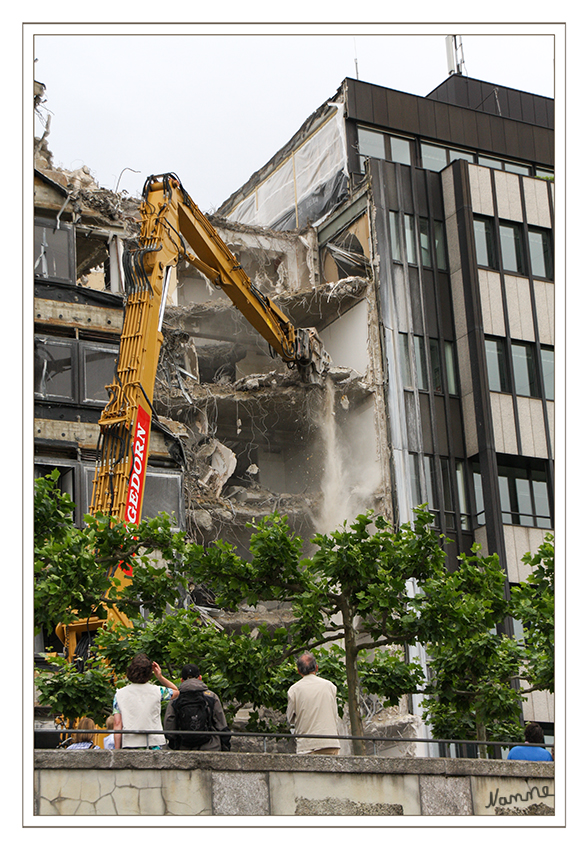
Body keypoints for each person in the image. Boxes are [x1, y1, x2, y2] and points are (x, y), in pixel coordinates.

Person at [113, 653, 179, 750]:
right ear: (149, 673)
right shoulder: (158, 691)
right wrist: (160, 676)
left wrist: (117, 751)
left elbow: (117, 724)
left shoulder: (119, 694)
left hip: (130, 743)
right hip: (154, 742)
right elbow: (176, 691)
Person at [164, 663, 231, 751]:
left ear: (181, 680)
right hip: (210, 746)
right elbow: (221, 723)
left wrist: (174, 743)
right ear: (200, 678)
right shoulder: (211, 696)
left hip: (184, 748)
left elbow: (169, 724)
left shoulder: (175, 699)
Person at [286, 652, 340, 755]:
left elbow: (290, 718)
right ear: (316, 667)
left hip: (307, 745)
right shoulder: (330, 686)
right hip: (330, 742)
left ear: (298, 671)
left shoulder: (294, 690)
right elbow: (334, 715)